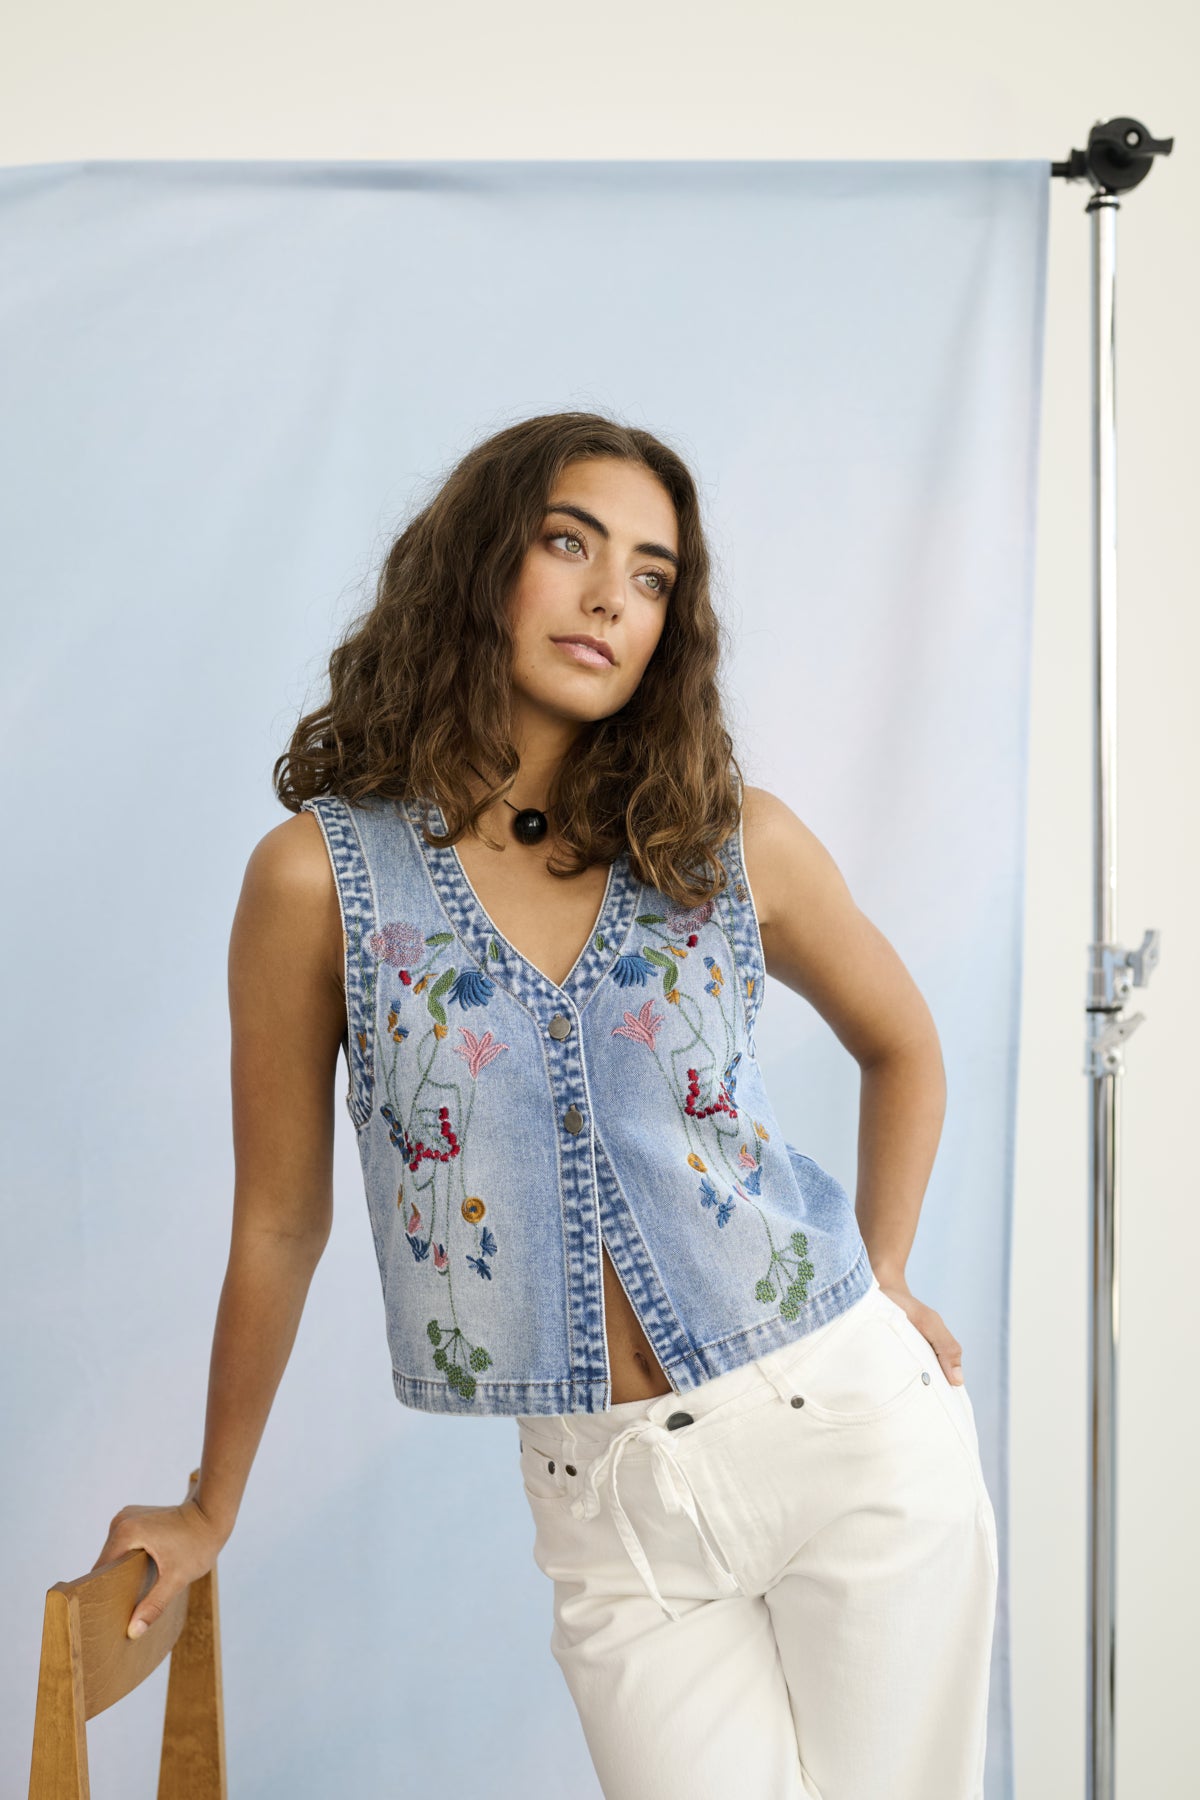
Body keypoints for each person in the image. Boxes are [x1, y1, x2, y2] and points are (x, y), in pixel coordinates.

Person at [92, 411, 997, 1798]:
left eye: (651, 575)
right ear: (480, 563)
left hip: (849, 1430)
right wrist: (213, 1504)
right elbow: (277, 1221)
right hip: (607, 1509)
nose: (609, 598)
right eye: (570, 544)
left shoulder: (729, 840)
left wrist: (884, 1275)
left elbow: (905, 1043)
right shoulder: (317, 883)